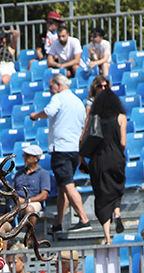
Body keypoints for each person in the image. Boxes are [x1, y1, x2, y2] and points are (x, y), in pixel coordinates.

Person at [30, 74, 90, 231]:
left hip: (61, 149)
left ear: (58, 85)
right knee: (63, 186)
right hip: (74, 149)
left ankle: (84, 219)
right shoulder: (78, 101)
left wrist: (36, 116)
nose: (50, 91)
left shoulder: (59, 98)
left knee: (68, 185)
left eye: (51, 87)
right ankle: (58, 223)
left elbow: (49, 112)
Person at [81, 87, 127, 242]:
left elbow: (84, 140)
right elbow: (123, 142)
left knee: (101, 197)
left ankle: (107, 237)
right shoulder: (121, 117)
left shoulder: (94, 117)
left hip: (98, 160)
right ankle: (117, 212)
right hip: (115, 158)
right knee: (116, 188)